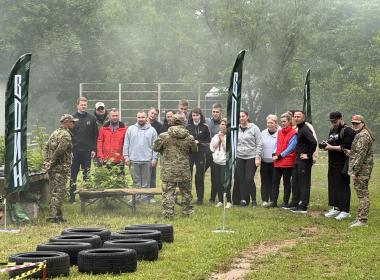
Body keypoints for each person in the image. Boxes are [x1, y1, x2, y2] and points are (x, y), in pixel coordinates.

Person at [153, 113, 198, 218]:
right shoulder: (189, 137)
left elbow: (155, 147)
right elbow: (195, 150)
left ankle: (169, 213)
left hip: (169, 169)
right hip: (184, 169)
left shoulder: (164, 136)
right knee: (186, 192)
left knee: (168, 192)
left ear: (171, 122)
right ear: (183, 122)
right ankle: (186, 212)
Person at [44, 114, 78, 223]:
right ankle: (52, 217)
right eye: (72, 122)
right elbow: (59, 151)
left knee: (55, 190)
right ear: (66, 122)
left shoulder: (54, 133)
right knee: (58, 192)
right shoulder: (66, 135)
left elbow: (46, 147)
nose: (74, 124)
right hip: (60, 168)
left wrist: (46, 161)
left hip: (54, 168)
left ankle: (59, 216)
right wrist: (51, 162)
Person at [323, 112, 355, 220]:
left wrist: (331, 147)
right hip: (332, 163)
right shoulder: (332, 130)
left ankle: (345, 210)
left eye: (335, 121)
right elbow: (332, 141)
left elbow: (348, 147)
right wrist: (326, 143)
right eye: (331, 121)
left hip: (343, 163)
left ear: (341, 118)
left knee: (343, 186)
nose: (333, 123)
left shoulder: (347, 130)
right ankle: (336, 208)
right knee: (333, 186)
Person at [123, 111, 158, 202]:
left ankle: (145, 198)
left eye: (142, 117)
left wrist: (154, 158)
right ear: (136, 118)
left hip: (147, 160)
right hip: (133, 160)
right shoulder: (130, 129)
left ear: (146, 118)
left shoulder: (152, 130)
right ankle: (136, 197)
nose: (141, 119)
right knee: (136, 181)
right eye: (139, 117)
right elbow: (126, 144)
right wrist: (126, 156)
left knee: (146, 182)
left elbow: (155, 146)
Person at [69, 97, 98, 203]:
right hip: (75, 152)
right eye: (81, 105)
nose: (83, 106)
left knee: (87, 174)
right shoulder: (72, 118)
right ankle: (72, 198)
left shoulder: (91, 118)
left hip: (87, 151)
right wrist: (69, 151)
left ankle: (86, 197)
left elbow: (95, 135)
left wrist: (94, 149)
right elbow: (68, 135)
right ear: (77, 105)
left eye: (85, 105)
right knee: (73, 175)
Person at [348, 115, 375, 227]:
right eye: (353, 123)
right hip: (362, 168)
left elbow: (360, 155)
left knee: (362, 194)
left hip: (362, 170)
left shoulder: (363, 135)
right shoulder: (360, 134)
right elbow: (358, 152)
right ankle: (360, 218)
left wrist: (354, 171)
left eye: (357, 123)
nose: (354, 125)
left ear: (363, 124)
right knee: (361, 193)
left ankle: (362, 220)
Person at [288, 110, 317, 213]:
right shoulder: (299, 128)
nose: (296, 118)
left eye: (298, 117)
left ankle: (303, 205)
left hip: (304, 161)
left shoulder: (305, 129)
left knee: (304, 183)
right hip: (297, 159)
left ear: (303, 118)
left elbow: (313, 142)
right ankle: (295, 202)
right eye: (295, 117)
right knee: (295, 181)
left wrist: (308, 155)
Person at [235, 110, 262, 207]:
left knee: (249, 178)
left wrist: (257, 157)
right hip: (239, 157)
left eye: (243, 116)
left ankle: (253, 200)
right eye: (239, 117)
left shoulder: (254, 128)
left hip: (251, 157)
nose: (241, 118)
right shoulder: (236, 128)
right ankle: (243, 200)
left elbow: (259, 143)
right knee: (241, 179)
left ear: (247, 117)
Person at [271, 113, 297, 208]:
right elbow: (277, 146)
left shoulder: (294, 133)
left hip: (288, 162)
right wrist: (274, 154)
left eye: (284, 121)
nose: (283, 123)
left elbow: (291, 148)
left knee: (286, 183)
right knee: (275, 182)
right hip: (278, 162)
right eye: (281, 122)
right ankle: (273, 202)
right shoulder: (279, 132)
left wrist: (279, 156)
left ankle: (285, 202)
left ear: (289, 121)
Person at [186, 108, 211, 204]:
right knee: (188, 176)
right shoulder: (188, 127)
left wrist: (199, 142)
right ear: (191, 116)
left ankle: (199, 198)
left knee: (199, 176)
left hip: (201, 154)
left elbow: (208, 141)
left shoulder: (205, 127)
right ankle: (187, 197)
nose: (195, 117)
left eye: (197, 115)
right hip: (190, 154)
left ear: (200, 115)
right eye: (193, 115)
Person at [209, 118, 232, 208]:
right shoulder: (215, 136)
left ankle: (229, 201)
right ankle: (220, 200)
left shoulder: (229, 137)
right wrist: (219, 139)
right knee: (217, 182)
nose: (223, 126)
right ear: (219, 125)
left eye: (225, 125)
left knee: (224, 182)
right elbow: (211, 148)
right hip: (216, 162)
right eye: (222, 124)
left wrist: (222, 139)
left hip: (224, 163)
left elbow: (227, 149)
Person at [206, 103, 223, 204]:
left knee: (215, 177)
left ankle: (212, 198)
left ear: (221, 112)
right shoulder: (207, 121)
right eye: (213, 112)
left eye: (217, 112)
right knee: (199, 175)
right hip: (206, 152)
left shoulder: (223, 123)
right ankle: (199, 197)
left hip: (217, 153)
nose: (215, 114)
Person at [260, 114, 278, 207]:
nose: (269, 124)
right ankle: (265, 200)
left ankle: (272, 200)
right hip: (264, 161)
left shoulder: (280, 133)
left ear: (275, 123)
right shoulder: (263, 132)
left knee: (273, 181)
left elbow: (279, 147)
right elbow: (260, 145)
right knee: (264, 181)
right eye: (268, 122)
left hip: (275, 162)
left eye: (271, 123)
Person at [147, 107, 163, 201]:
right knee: (141, 176)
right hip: (142, 153)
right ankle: (139, 194)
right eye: (152, 113)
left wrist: (155, 156)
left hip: (153, 153)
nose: (153, 115)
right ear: (148, 113)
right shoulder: (142, 122)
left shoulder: (159, 126)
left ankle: (151, 196)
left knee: (152, 176)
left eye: (155, 114)